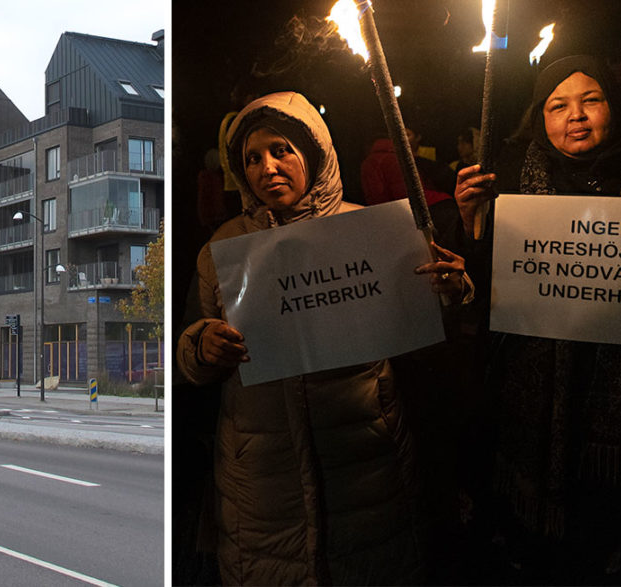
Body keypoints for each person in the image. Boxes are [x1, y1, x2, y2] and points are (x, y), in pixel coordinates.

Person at [177, 91, 469, 585]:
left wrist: (453, 290)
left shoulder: (370, 232)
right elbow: (187, 347)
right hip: (263, 487)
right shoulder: (223, 248)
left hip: (368, 467)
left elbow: (430, 328)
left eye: (282, 150)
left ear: (313, 154)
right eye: (252, 158)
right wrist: (201, 346)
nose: (267, 167)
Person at [454, 55, 621, 582]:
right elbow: (481, 286)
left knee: (615, 526)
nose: (576, 115)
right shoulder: (509, 177)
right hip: (535, 386)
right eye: (558, 105)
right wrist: (469, 224)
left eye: (590, 100)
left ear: (612, 107)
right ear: (541, 118)